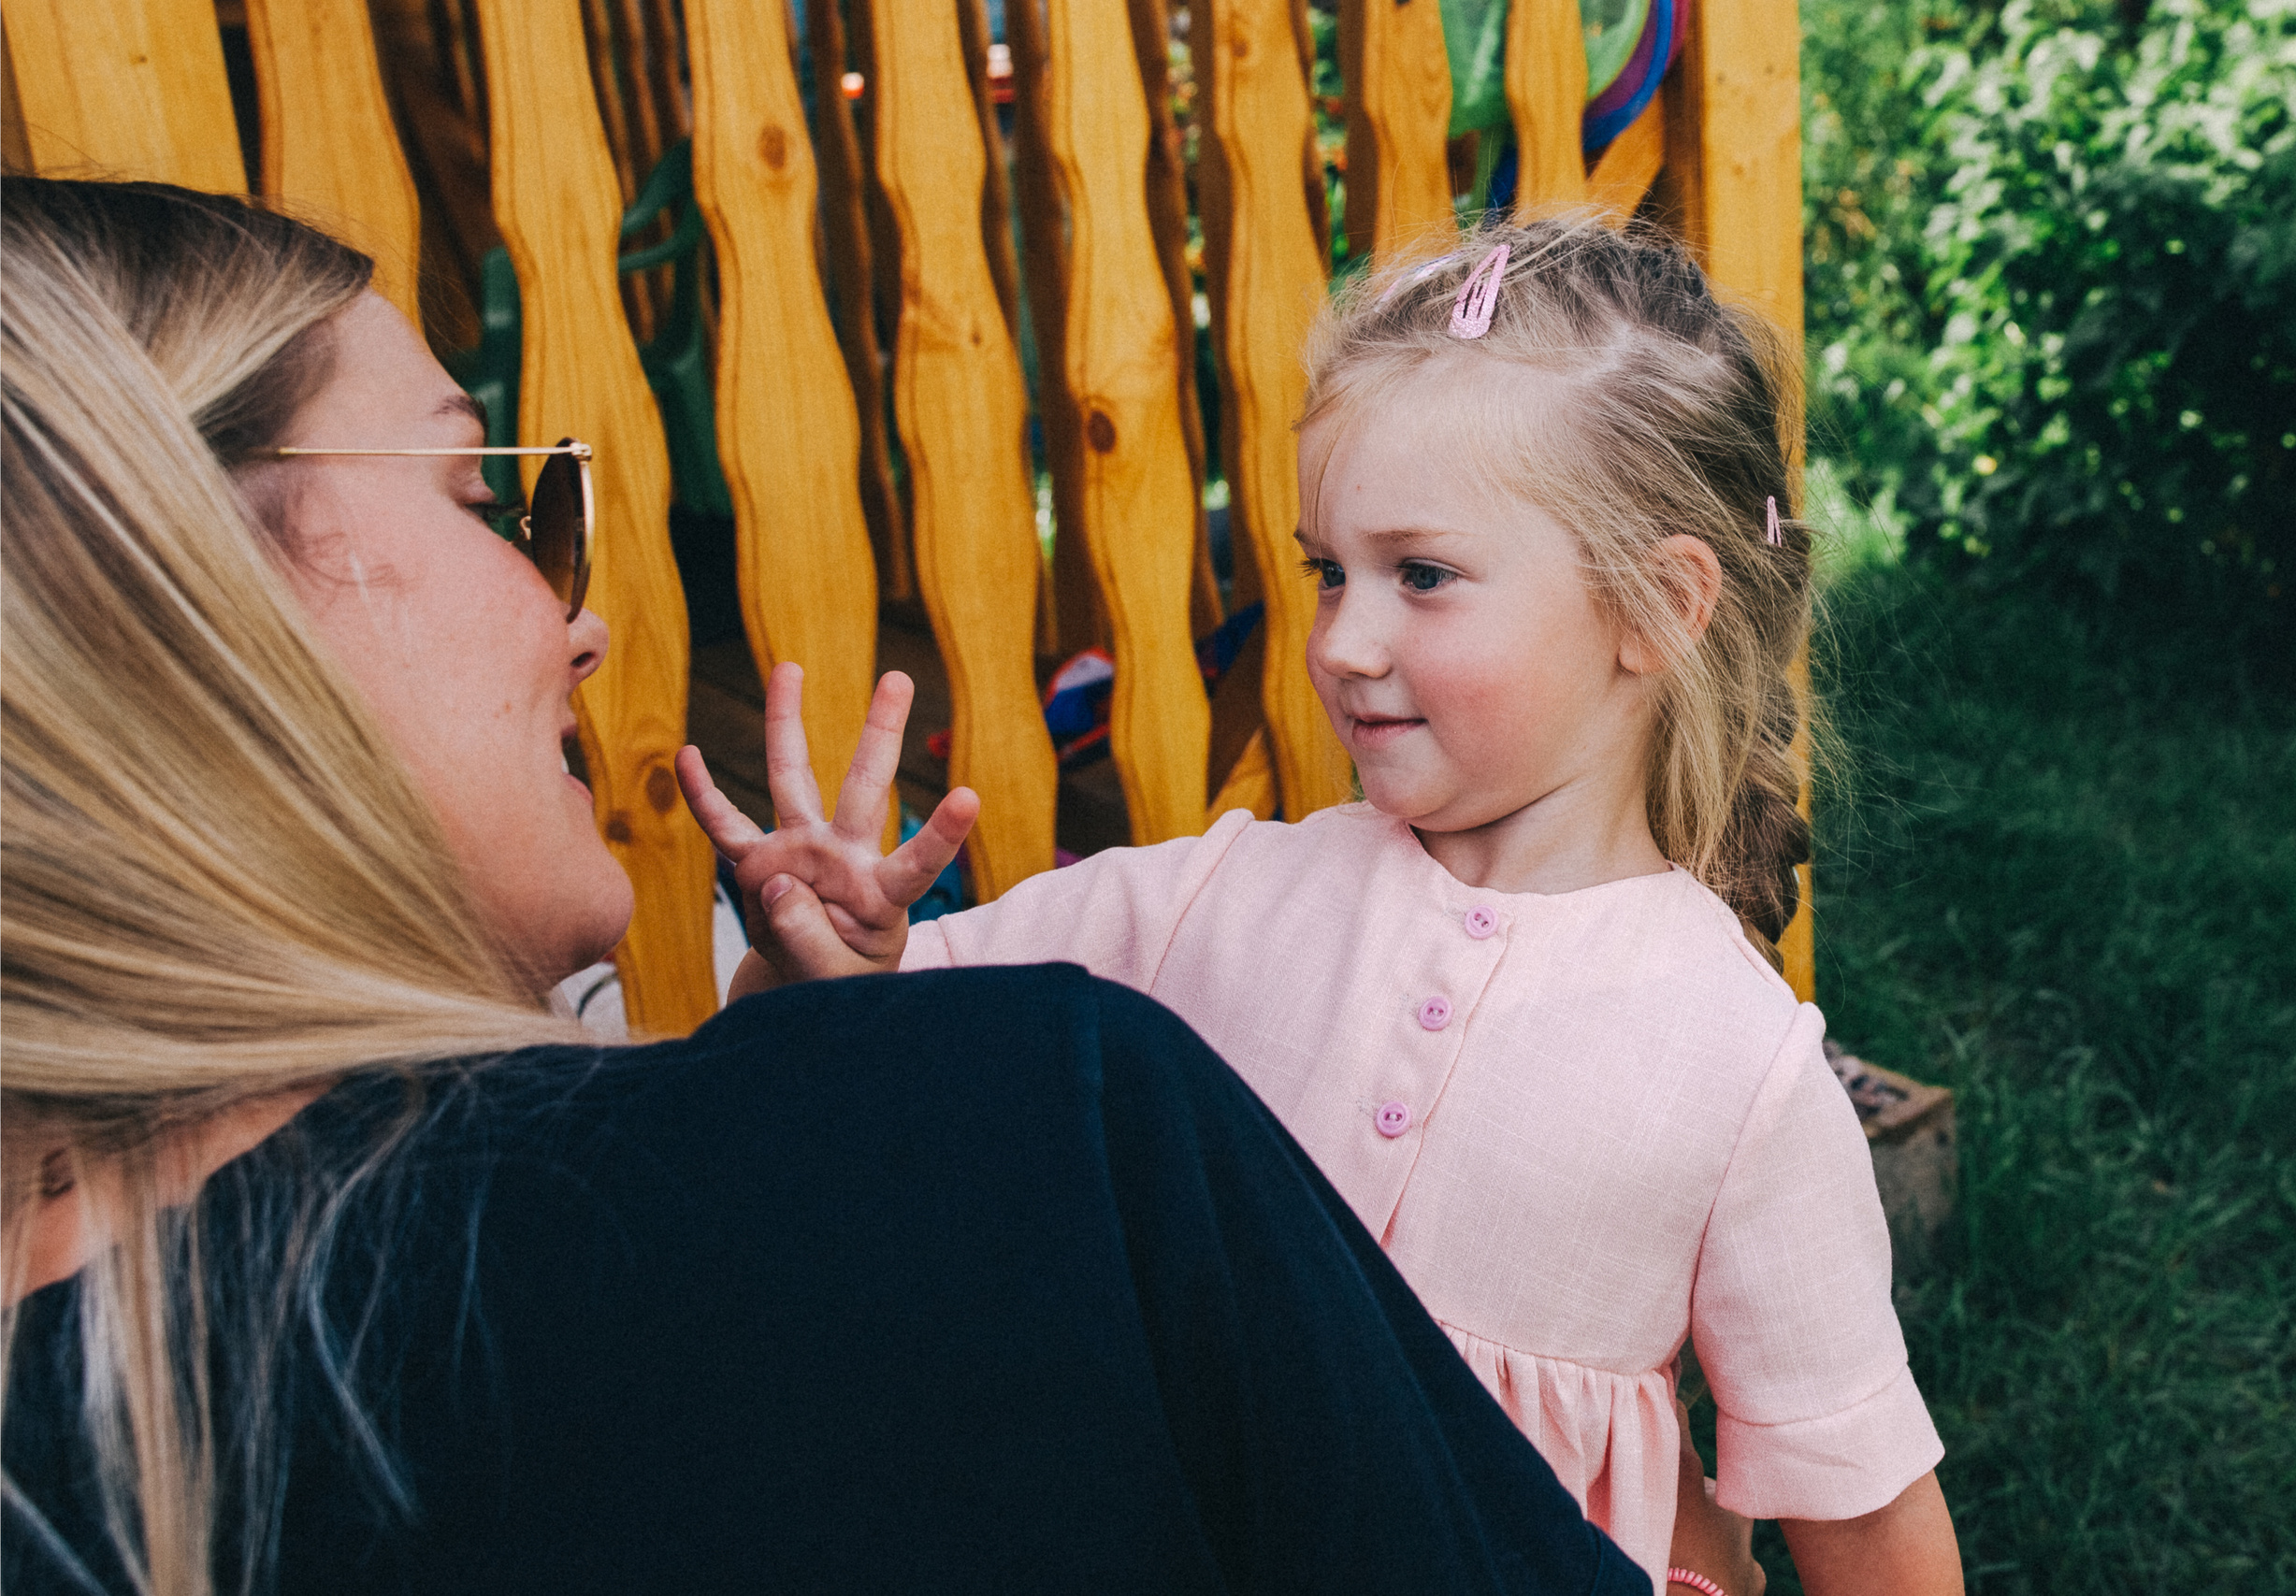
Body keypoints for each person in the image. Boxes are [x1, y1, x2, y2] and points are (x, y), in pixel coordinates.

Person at [0, 179, 1653, 1596]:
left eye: (1422, 575)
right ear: (178, 603)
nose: (574, 619)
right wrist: (828, 1097)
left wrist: (782, 1068)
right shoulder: (1050, 1132)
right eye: (482, 492)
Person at [683, 217, 1968, 1594]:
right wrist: (832, 960)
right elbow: (877, 1052)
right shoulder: (1216, 900)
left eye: (1421, 575)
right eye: (1327, 570)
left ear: (1652, 608)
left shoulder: (1739, 1067)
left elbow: (1870, 1527)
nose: (1344, 642)